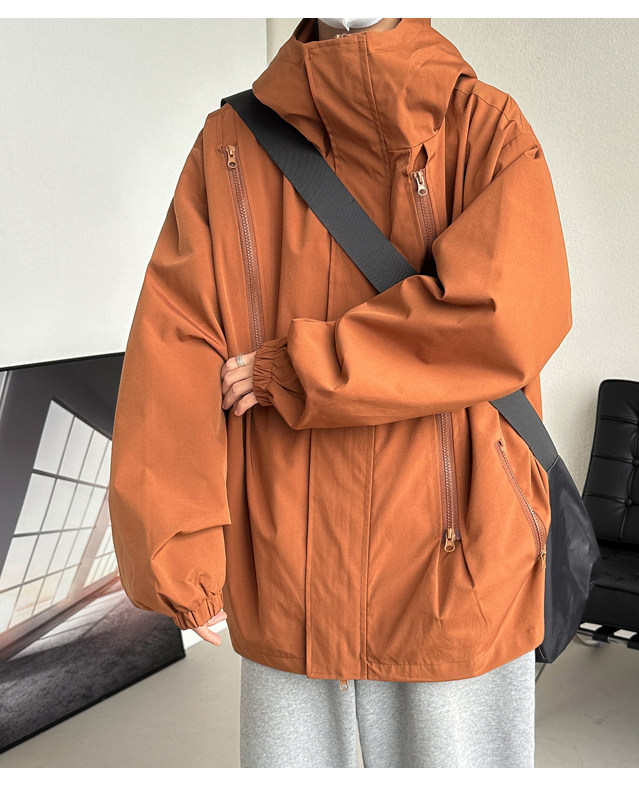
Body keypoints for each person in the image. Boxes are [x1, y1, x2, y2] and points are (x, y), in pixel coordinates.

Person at [109, 17, 573, 768]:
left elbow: (504, 316)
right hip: (288, 562)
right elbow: (176, 337)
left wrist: (299, 367)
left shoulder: (484, 127)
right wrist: (178, 542)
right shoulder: (231, 144)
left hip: (457, 559)